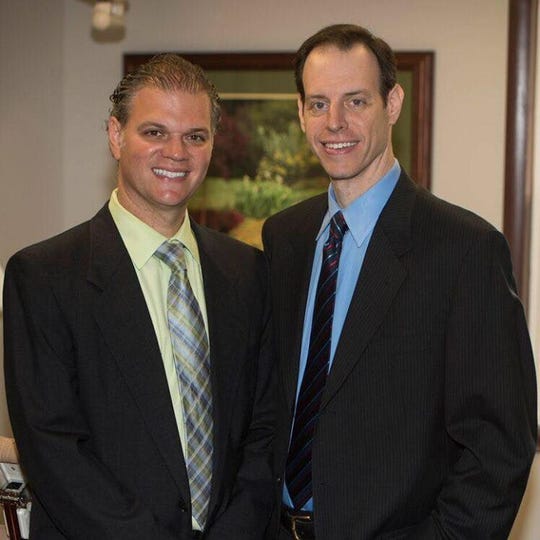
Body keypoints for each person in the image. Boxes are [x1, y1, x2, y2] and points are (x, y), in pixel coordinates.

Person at [262, 24, 537, 540]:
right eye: (318, 103)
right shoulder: (285, 238)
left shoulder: (465, 250)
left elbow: (500, 446)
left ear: (393, 103)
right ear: (300, 112)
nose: (334, 122)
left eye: (356, 101)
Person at [3, 53, 275, 540]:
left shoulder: (248, 272)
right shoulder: (43, 277)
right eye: (154, 132)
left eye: (195, 136)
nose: (177, 152)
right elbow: (54, 451)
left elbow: (264, 433)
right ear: (115, 135)